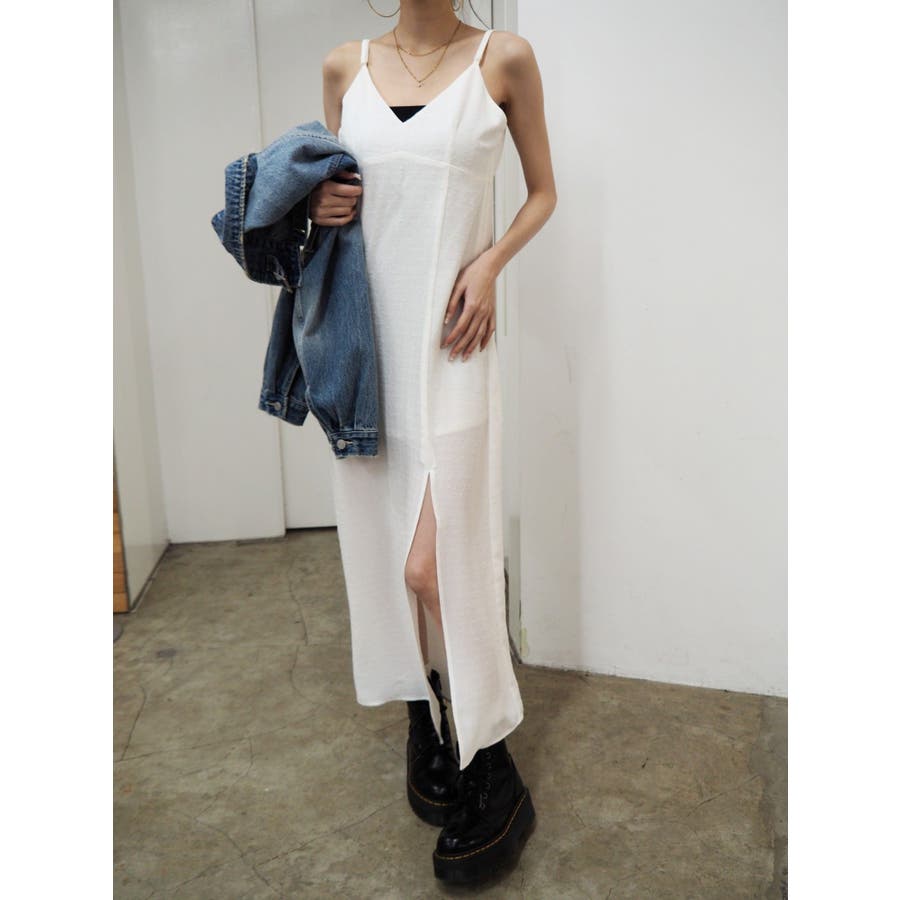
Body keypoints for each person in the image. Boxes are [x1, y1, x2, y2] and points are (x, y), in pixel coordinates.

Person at [309, 0, 556, 884]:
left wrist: (490, 264)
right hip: (366, 351)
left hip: (452, 345)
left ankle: (493, 764)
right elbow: (331, 205)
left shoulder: (503, 58)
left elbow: (544, 192)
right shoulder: (345, 67)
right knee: (387, 559)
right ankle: (427, 715)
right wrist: (321, 204)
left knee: (433, 566)